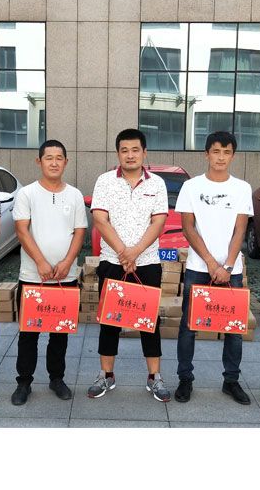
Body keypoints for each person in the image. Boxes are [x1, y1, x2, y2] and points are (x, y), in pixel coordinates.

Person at [87, 128, 171, 402]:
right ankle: (106, 375)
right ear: (118, 154)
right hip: (113, 261)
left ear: (144, 153)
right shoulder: (105, 181)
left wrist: (135, 252)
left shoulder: (157, 184)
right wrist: (124, 253)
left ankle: (155, 377)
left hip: (147, 263)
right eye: (124, 150)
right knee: (109, 320)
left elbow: (158, 222)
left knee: (149, 321)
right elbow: (100, 219)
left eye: (135, 150)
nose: (130, 155)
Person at [174, 131, 253, 405]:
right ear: (206, 154)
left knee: (234, 327)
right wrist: (210, 261)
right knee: (188, 326)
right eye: (216, 151)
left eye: (226, 152)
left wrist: (227, 265)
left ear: (233, 156)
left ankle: (231, 380)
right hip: (198, 267)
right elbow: (188, 227)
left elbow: (240, 229)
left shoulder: (242, 188)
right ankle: (185, 378)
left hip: (231, 269)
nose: (221, 157)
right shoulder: (191, 187)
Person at [10, 140, 87, 405]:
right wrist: (41, 262)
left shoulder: (75, 195)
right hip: (33, 277)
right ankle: (24, 382)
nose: (54, 163)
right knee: (28, 334)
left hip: (66, 277)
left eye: (59, 158)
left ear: (66, 162)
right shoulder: (27, 194)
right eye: (48, 158)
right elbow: (22, 230)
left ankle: (57, 378)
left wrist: (68, 262)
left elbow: (80, 232)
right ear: (39, 161)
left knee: (59, 333)